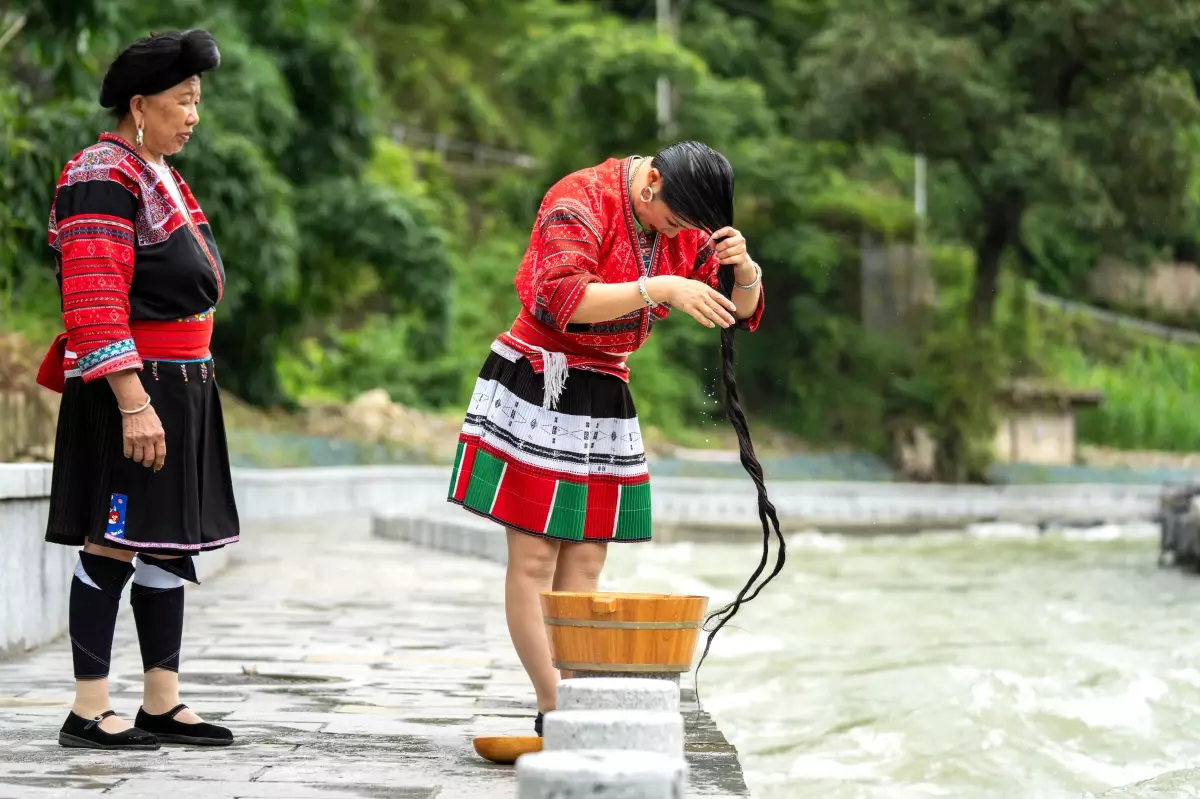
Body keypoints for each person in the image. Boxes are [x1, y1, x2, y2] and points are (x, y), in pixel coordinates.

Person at [446, 141, 765, 735]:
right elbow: (568, 302)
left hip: (606, 387)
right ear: (651, 186)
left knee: (588, 562)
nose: (678, 234)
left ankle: (576, 696)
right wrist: (661, 288)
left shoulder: (682, 222)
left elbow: (738, 310)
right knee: (535, 557)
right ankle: (551, 706)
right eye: (674, 220)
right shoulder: (580, 197)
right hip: (540, 374)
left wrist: (744, 270)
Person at [35, 29, 238, 750]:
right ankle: (89, 708)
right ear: (139, 103)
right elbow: (94, 301)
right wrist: (133, 402)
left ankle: (162, 700)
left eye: (197, 103)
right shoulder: (100, 172)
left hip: (180, 387)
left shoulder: (158, 172)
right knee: (112, 541)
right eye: (183, 101)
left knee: (163, 547)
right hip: (134, 390)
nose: (193, 115)